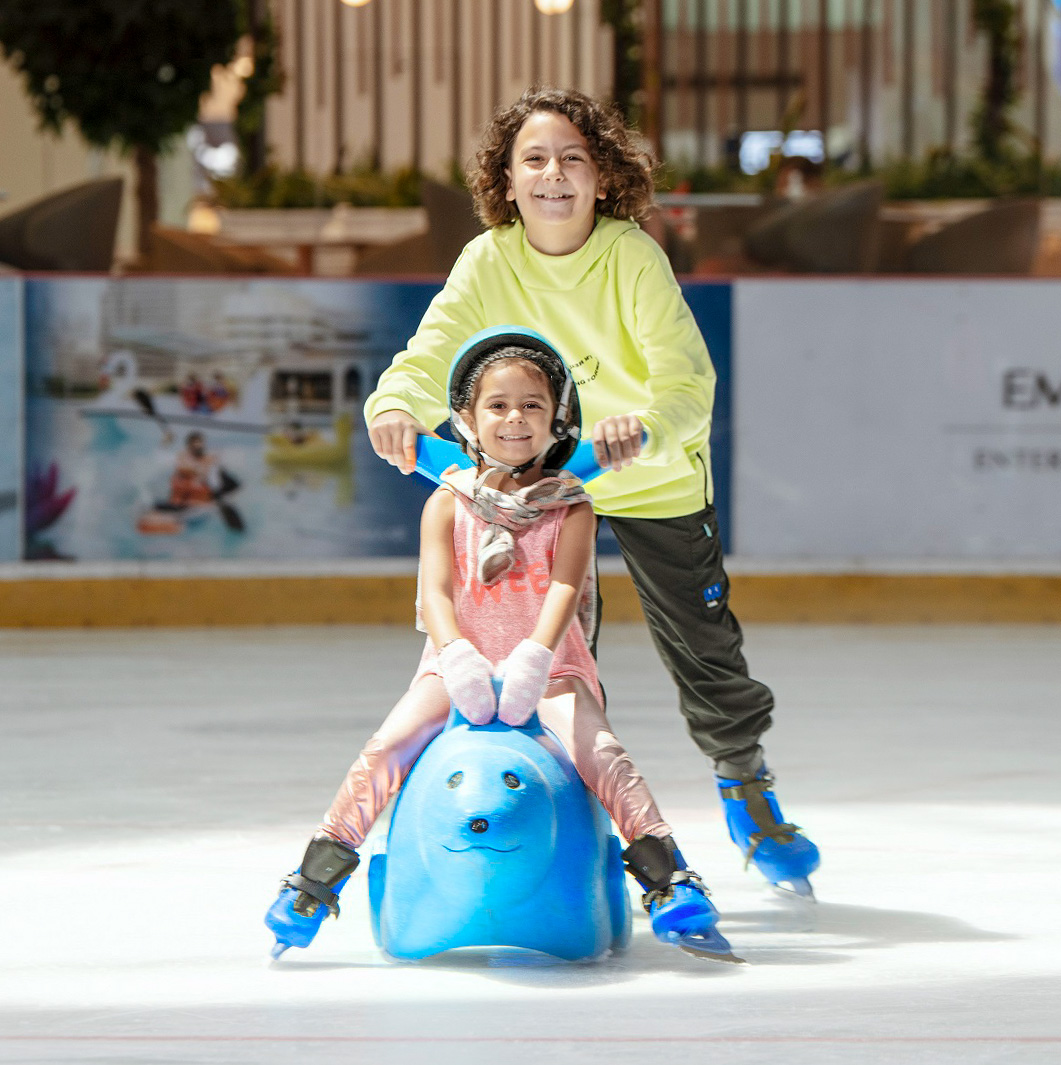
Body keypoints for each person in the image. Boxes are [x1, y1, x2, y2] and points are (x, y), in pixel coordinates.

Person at [364, 86, 820, 897]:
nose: (553, 175)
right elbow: (429, 353)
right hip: (540, 487)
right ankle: (566, 812)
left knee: (704, 652)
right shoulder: (488, 259)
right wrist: (394, 404)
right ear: (505, 181)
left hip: (649, 477)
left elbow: (687, 379)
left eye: (573, 159)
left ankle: (744, 783)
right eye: (533, 160)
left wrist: (643, 427)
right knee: (551, 655)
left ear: (603, 177)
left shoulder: (631, 255)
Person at [266, 332, 735, 961]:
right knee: (385, 752)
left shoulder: (572, 506)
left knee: (602, 755)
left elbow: (566, 586)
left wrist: (538, 656)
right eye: (498, 406)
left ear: (558, 417)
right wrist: (457, 653)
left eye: (533, 406)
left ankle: (668, 878)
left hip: (553, 669)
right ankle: (315, 881)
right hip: (453, 665)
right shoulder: (446, 504)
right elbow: (435, 593)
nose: (516, 419)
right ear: (466, 418)